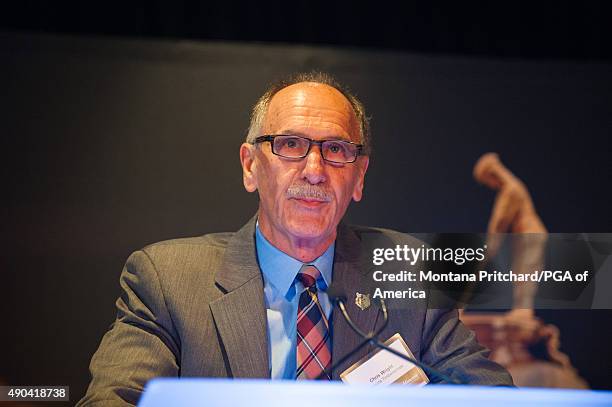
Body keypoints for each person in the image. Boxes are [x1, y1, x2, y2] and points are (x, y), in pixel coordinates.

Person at [78, 72, 512, 406]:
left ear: (359, 177)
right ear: (250, 166)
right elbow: (113, 400)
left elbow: (491, 396)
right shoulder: (168, 280)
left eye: (337, 149)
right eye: (290, 145)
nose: (314, 170)